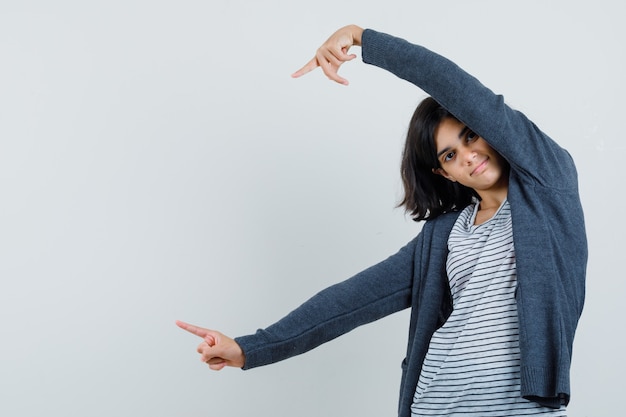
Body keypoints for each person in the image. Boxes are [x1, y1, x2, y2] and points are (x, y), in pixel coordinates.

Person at [176, 24, 587, 416]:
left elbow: (454, 84)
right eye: (448, 155)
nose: (467, 155)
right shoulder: (445, 235)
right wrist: (251, 349)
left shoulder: (548, 185)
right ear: (444, 173)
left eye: (470, 135)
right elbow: (351, 301)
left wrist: (360, 36)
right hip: (432, 407)